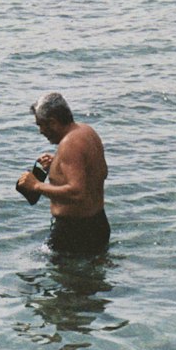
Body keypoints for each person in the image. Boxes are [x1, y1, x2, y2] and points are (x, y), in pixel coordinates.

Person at [16, 91, 110, 254]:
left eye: (40, 125)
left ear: (52, 122)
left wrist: (36, 185)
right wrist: (57, 165)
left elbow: (76, 192)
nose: (40, 131)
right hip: (97, 223)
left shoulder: (69, 144)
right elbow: (98, 172)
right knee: (93, 277)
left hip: (75, 232)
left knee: (65, 278)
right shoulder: (87, 132)